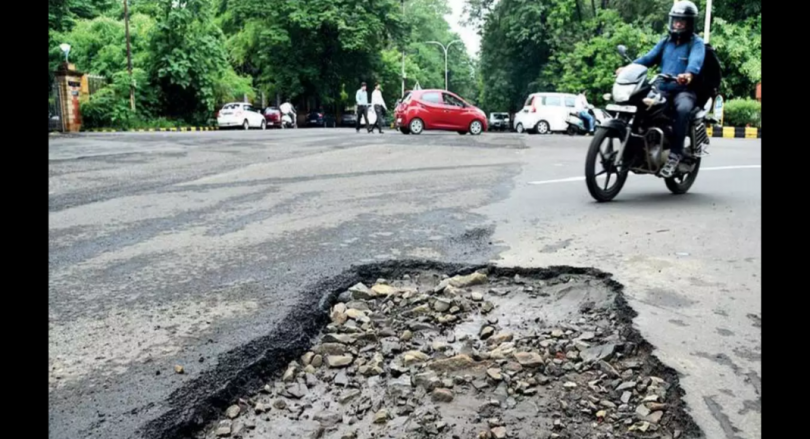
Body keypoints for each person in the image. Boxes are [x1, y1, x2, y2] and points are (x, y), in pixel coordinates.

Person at [615, 0, 705, 178]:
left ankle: (675, 155)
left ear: (690, 23)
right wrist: (628, 68)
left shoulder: (696, 43)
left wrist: (688, 74)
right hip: (662, 88)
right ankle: (637, 149)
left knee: (683, 109)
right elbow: (647, 58)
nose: (677, 24)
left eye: (682, 21)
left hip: (683, 91)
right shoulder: (666, 42)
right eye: (675, 20)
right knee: (639, 102)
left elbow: (696, 61)